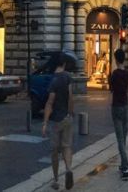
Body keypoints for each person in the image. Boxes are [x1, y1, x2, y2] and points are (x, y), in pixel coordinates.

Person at [41, 53, 75, 190]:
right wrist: (70, 113)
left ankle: (56, 180)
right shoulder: (68, 77)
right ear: (64, 64)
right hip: (67, 117)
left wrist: (44, 122)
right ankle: (68, 169)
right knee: (67, 146)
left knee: (55, 151)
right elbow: (71, 97)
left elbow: (50, 103)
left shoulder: (54, 80)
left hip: (56, 120)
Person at [109, 49, 128, 180]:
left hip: (116, 106)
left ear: (116, 59)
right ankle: (123, 164)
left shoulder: (114, 74)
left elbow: (111, 89)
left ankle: (126, 166)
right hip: (125, 105)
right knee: (123, 135)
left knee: (120, 139)